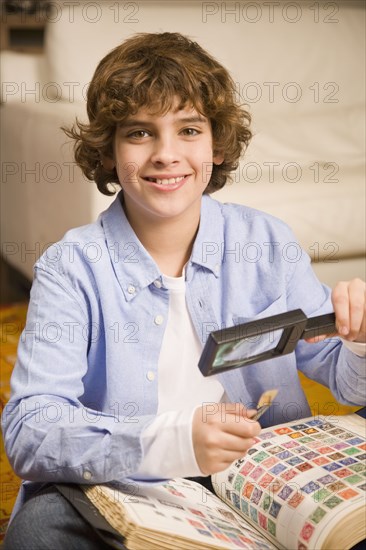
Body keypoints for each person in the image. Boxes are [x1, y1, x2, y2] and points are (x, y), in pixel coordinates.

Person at [2, 32, 365, 549]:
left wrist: (360, 341)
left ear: (215, 145)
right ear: (108, 152)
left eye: (188, 129)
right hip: (131, 480)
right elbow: (32, 429)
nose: (166, 154)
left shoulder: (265, 241)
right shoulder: (70, 266)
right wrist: (173, 442)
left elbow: (346, 380)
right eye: (139, 133)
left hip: (261, 479)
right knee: (38, 529)